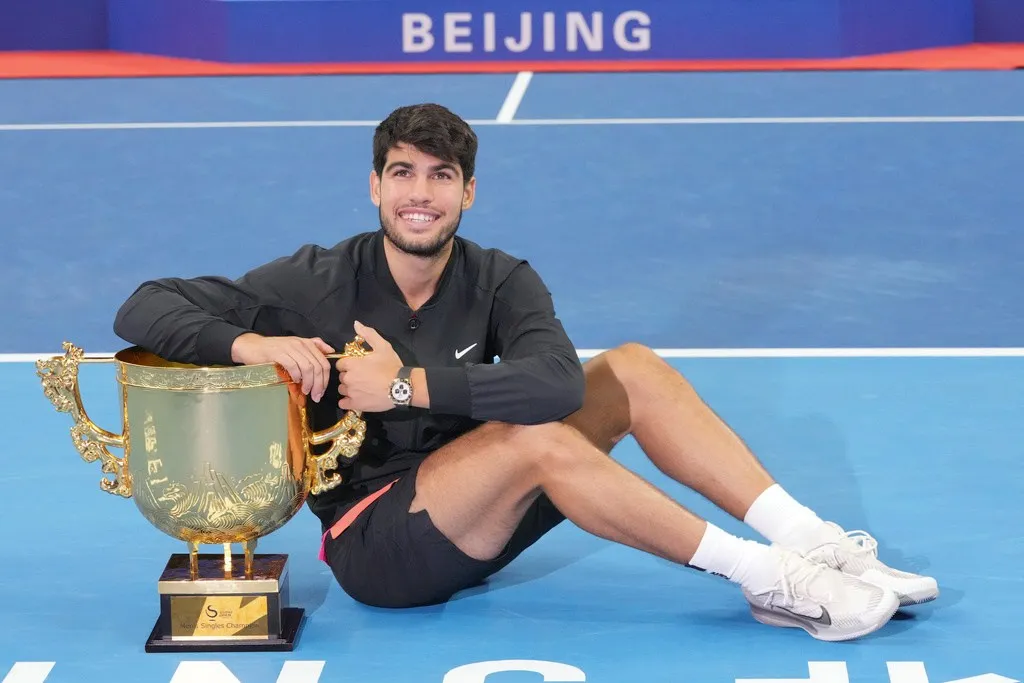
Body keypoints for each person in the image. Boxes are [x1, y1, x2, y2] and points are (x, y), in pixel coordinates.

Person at [113, 102, 937, 642]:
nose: (420, 194)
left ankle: (812, 542)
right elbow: (143, 305)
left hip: (490, 500)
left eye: (441, 176)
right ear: (374, 186)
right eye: (402, 173)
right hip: (378, 541)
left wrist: (405, 386)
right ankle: (775, 580)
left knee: (634, 370)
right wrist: (252, 345)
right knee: (530, 443)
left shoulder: (501, 276)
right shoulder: (313, 280)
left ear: (468, 192)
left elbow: (559, 387)